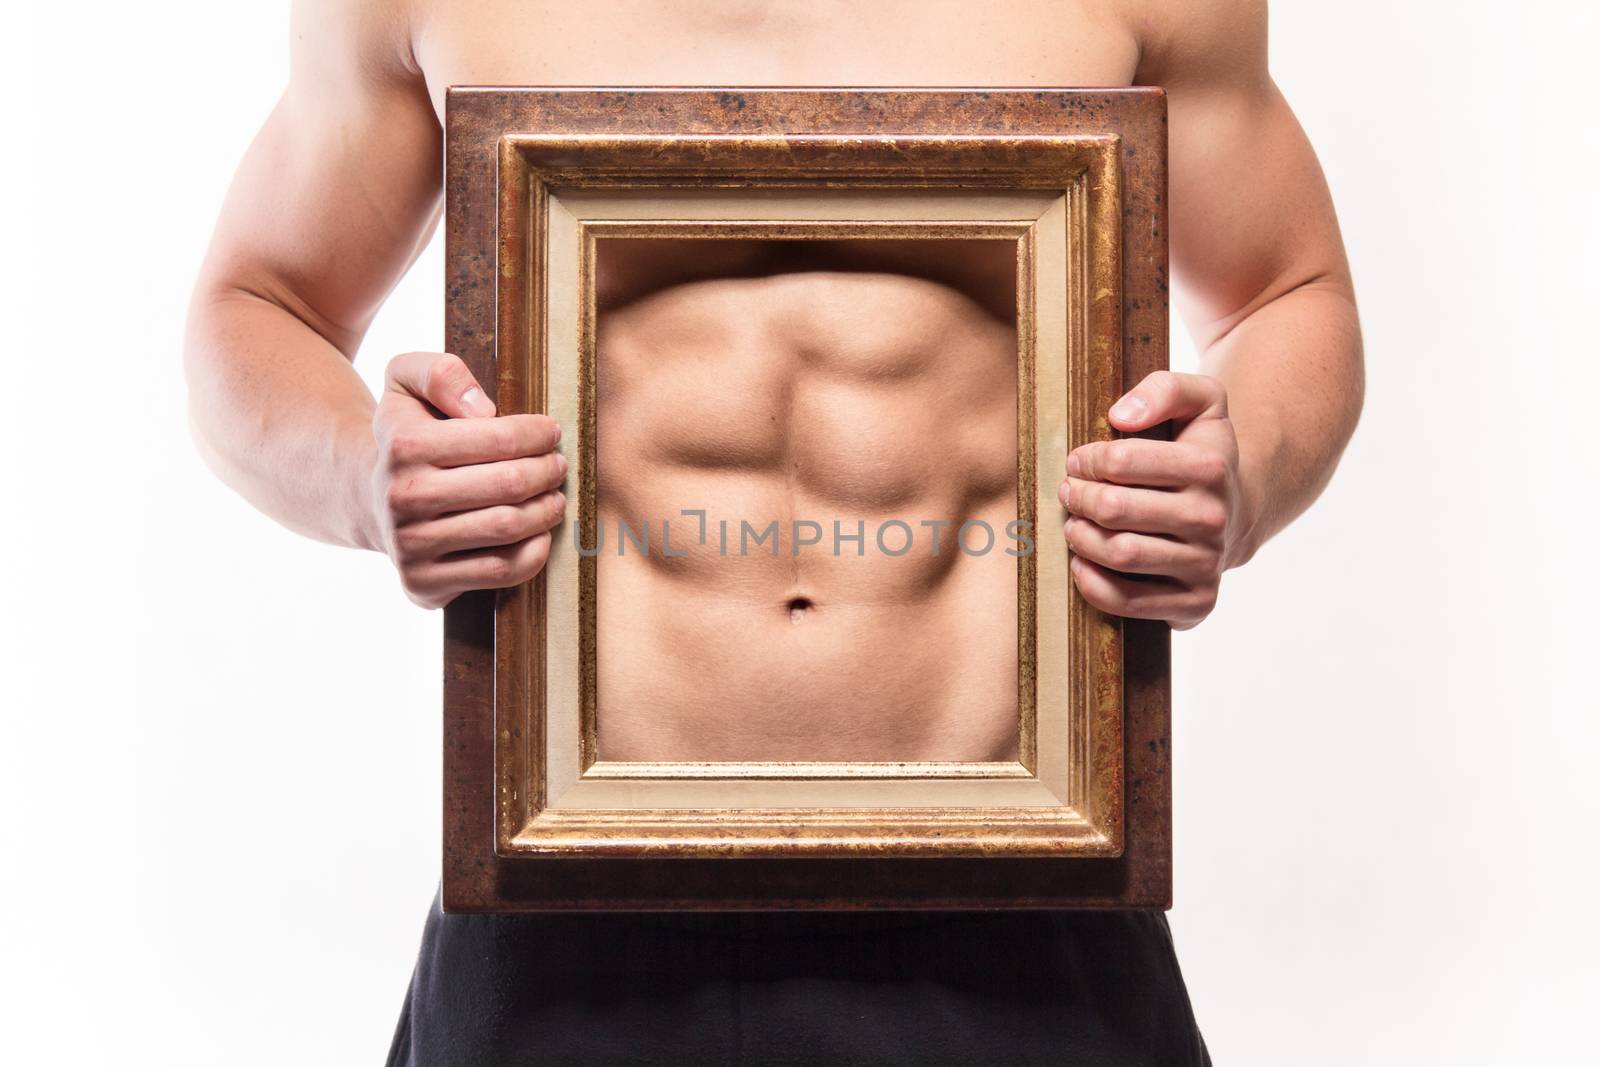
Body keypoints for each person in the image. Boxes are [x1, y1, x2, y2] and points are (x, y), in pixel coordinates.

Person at [184, 1, 1363, 1063]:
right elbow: (259, 302)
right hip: (559, 903)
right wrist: (359, 472)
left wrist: (1237, 474)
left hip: (1021, 883)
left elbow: (1281, 292)